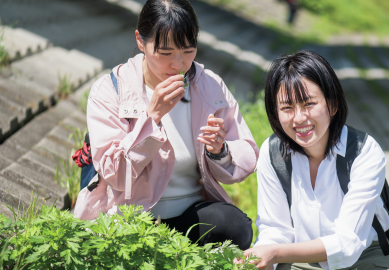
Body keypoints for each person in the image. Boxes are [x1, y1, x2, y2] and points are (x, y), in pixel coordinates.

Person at [73, 0, 259, 250]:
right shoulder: (110, 90)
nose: (179, 65)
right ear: (140, 41)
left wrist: (220, 151)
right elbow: (115, 175)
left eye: (188, 50)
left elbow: (246, 152)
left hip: (188, 215)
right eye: (166, 52)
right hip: (129, 217)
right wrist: (152, 118)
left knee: (236, 227)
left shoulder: (209, 86)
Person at [238, 51, 389, 269]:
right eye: (287, 108)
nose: (298, 118)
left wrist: (275, 252)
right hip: (298, 259)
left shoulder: (364, 151)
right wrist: (265, 256)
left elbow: (348, 244)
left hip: (364, 256)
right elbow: (275, 229)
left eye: (308, 104)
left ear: (332, 104)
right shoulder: (272, 152)